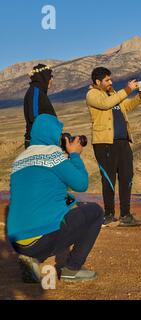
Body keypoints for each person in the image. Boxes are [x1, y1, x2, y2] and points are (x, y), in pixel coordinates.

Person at [7, 114, 104, 283]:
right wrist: (74, 155)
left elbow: (46, 194)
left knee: (67, 205)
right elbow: (81, 184)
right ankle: (72, 269)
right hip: (42, 239)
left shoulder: (19, 160)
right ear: (52, 134)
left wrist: (71, 202)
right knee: (95, 211)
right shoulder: (52, 156)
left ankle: (31, 260)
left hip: (18, 242)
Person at [86, 67, 141, 226]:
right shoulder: (92, 95)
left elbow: (127, 106)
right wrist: (126, 89)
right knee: (109, 179)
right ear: (97, 82)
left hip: (123, 142)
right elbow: (105, 104)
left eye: (110, 79)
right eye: (107, 80)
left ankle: (125, 214)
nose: (111, 82)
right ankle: (109, 214)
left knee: (126, 177)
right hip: (105, 143)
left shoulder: (113, 93)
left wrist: (140, 96)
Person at [23, 64, 56, 149]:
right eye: (50, 76)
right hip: (37, 141)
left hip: (43, 139)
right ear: (43, 77)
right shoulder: (35, 91)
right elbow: (34, 116)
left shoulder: (39, 92)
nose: (52, 79)